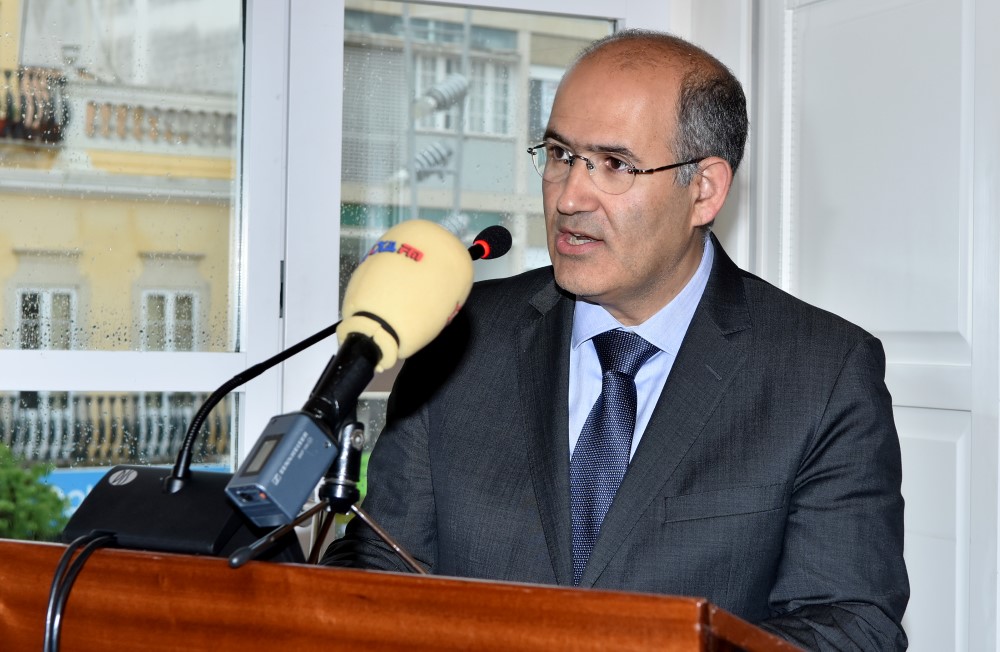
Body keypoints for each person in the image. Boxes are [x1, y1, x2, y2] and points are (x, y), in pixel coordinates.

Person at [323, 28, 909, 651]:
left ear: (704, 188)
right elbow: (378, 564)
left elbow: (850, 623)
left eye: (615, 165)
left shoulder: (822, 372)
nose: (570, 197)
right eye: (559, 154)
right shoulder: (459, 336)